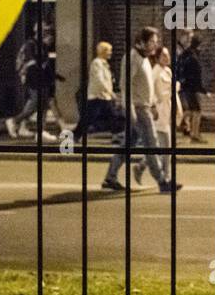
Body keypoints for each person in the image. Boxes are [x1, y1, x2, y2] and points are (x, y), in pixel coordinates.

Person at [102, 27, 179, 193]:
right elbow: (125, 85)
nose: (155, 45)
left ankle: (110, 177)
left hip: (144, 107)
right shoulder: (132, 58)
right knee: (152, 144)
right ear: (141, 42)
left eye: (156, 41)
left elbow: (145, 86)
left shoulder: (144, 58)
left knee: (128, 144)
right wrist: (130, 110)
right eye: (152, 41)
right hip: (137, 109)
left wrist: (152, 105)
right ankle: (162, 181)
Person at [74, 41, 117, 138]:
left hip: (104, 96)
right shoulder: (97, 63)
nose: (111, 53)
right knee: (88, 118)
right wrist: (111, 92)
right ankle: (75, 135)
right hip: (97, 96)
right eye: (109, 51)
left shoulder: (104, 64)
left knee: (112, 117)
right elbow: (100, 80)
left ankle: (118, 135)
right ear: (103, 51)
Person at [175, 31, 208, 142]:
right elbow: (196, 77)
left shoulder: (186, 55)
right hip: (191, 88)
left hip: (185, 87)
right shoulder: (193, 58)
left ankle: (180, 125)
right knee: (197, 111)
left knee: (191, 110)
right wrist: (202, 90)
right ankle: (194, 134)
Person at [152, 45, 177, 154]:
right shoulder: (155, 71)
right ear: (157, 58)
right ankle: (166, 170)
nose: (167, 57)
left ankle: (142, 165)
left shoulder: (168, 71)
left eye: (168, 55)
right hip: (160, 109)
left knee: (160, 143)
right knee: (166, 143)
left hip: (168, 108)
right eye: (163, 55)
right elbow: (151, 91)